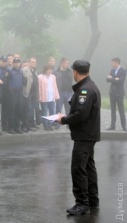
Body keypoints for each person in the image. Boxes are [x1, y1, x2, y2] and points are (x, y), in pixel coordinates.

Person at [56, 60, 101, 215]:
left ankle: (82, 203)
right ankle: (93, 200)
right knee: (88, 167)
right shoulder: (90, 86)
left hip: (84, 135)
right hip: (88, 134)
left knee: (78, 168)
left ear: (75, 72)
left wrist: (63, 119)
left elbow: (81, 114)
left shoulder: (85, 90)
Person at [106, 58, 126, 131]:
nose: (111, 64)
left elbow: (120, 81)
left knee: (121, 110)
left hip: (119, 93)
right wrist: (115, 79)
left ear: (116, 62)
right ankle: (112, 126)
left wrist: (112, 78)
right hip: (112, 93)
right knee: (113, 110)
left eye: (112, 63)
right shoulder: (112, 70)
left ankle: (124, 126)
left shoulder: (123, 71)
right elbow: (107, 79)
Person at [38, 64, 60, 131]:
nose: (50, 71)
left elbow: (55, 86)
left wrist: (56, 95)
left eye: (51, 69)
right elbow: (39, 88)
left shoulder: (53, 77)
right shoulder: (40, 77)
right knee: (45, 112)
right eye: (49, 69)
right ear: (45, 69)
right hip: (44, 97)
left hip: (51, 97)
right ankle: (45, 125)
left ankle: (50, 125)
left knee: (52, 112)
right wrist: (39, 97)